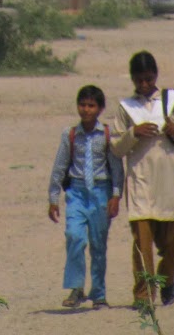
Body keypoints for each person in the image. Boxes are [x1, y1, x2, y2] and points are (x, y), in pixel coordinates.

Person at [111, 50, 174, 309]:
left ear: (156, 75)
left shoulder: (173, 101)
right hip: (140, 181)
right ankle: (143, 295)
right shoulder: (126, 107)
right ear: (132, 79)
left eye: (148, 79)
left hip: (170, 182)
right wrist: (134, 133)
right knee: (142, 242)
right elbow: (116, 147)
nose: (144, 85)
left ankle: (167, 279)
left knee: (168, 242)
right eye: (139, 80)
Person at [47, 84, 123, 309]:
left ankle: (98, 294)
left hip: (101, 192)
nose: (86, 110)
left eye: (91, 105)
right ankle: (76, 287)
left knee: (98, 245)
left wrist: (116, 195)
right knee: (74, 236)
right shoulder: (70, 134)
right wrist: (53, 198)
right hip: (77, 192)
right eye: (83, 104)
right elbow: (59, 166)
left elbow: (116, 168)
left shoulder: (107, 135)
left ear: (100, 108)